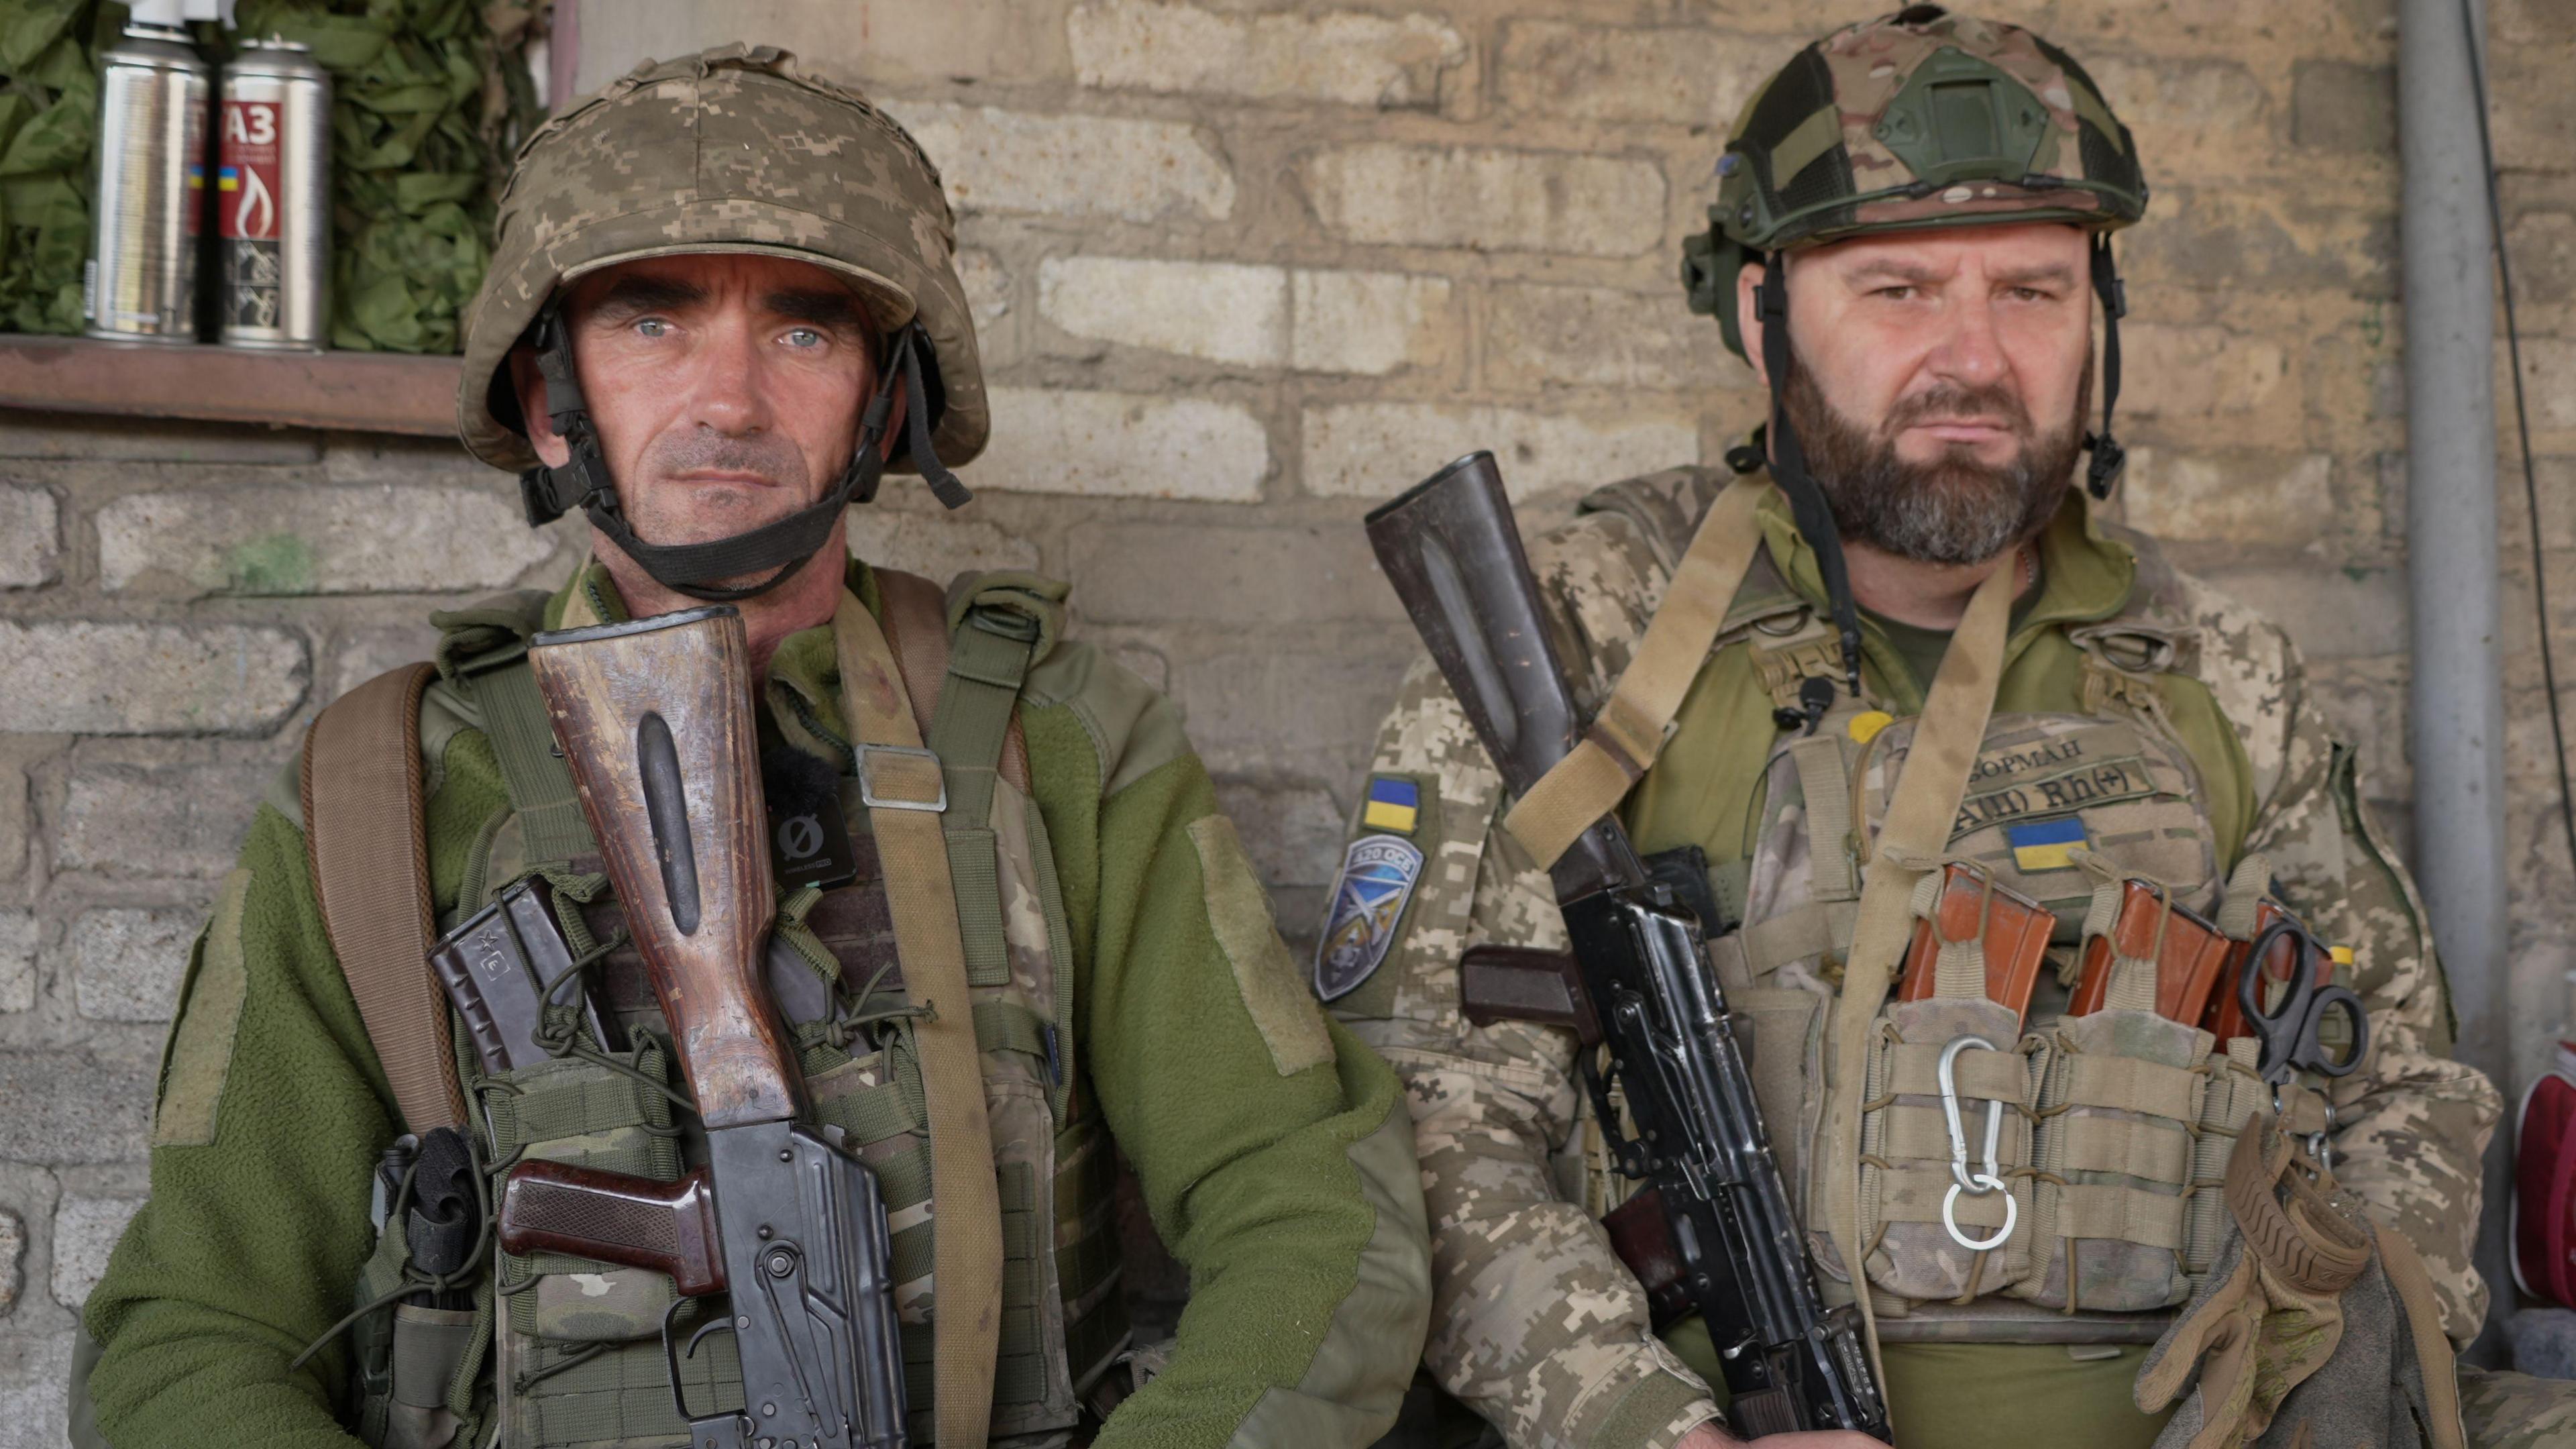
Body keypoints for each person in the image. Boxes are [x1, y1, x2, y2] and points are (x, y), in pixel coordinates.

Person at [73, 45, 1430, 1449]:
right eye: (650, 325)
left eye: (803, 333)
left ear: (884, 404)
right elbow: (189, 1341)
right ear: (549, 399)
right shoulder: (380, 800)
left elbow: (1311, 1205)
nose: (728, 402)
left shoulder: (1060, 750)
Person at [1321, 9, 2573, 1448]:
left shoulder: (2214, 671)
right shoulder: (1579, 633)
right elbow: (1427, 1109)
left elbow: (2397, 1088)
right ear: (1759, 313)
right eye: (1900, 289)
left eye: (2033, 294)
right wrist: (1649, 1428)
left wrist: (2327, 1387)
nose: (1974, 358)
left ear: (2100, 315)